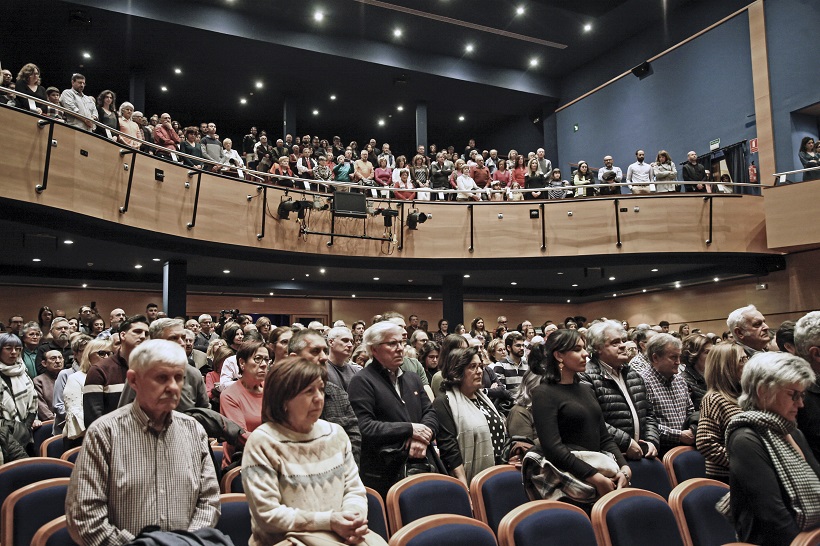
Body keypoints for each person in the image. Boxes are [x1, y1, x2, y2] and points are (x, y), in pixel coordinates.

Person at [66, 340, 221, 545]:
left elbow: (209, 503)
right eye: (161, 378)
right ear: (133, 380)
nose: (173, 387)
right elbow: (85, 518)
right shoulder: (104, 433)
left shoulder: (194, 430)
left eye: (178, 378)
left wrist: (183, 543)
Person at [241, 357, 387, 546]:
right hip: (287, 540)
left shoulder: (335, 434)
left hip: (342, 535)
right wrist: (329, 521)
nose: (319, 398)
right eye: (309, 391)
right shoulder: (263, 441)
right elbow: (267, 514)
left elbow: (354, 490)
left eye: (321, 389)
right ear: (284, 399)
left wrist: (352, 520)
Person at [725, 352, 820, 545]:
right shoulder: (744, 438)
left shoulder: (793, 432)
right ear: (762, 391)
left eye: (801, 395)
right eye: (793, 395)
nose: (800, 404)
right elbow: (772, 515)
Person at [529, 329, 631, 502]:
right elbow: (553, 449)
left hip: (600, 474)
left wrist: (624, 468)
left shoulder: (585, 389)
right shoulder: (543, 393)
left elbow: (604, 438)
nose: (585, 354)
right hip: (571, 482)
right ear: (559, 356)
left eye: (584, 348)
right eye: (577, 349)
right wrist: (595, 477)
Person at [348, 322, 440, 498]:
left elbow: (430, 413)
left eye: (401, 343)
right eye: (392, 344)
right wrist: (410, 429)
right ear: (374, 349)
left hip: (421, 463)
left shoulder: (412, 378)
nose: (400, 349)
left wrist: (422, 438)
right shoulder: (362, 381)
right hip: (385, 474)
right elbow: (364, 426)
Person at [579, 320, 660, 460]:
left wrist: (651, 441)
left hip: (642, 453)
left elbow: (649, 414)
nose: (623, 346)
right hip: (611, 457)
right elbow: (593, 421)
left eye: (623, 340)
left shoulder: (633, 374)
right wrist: (627, 443)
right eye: (615, 343)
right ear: (598, 348)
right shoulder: (585, 376)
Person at [433, 346, 507, 486]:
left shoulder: (483, 398)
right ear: (457, 371)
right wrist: (463, 484)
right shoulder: (444, 402)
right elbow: (449, 448)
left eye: (481, 366)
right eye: (472, 367)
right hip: (468, 479)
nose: (479, 371)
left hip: (498, 473)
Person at [695, 343, 746, 482]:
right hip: (726, 477)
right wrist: (743, 462)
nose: (747, 364)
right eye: (742, 360)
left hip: (744, 474)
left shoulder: (743, 395)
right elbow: (706, 443)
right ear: (727, 367)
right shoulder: (714, 399)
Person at [640, 333, 696, 455]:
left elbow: (690, 411)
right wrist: (678, 435)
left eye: (679, 357)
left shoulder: (680, 380)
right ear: (655, 358)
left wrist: (693, 429)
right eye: (673, 357)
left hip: (687, 447)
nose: (678, 362)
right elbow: (645, 424)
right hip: (660, 451)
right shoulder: (642, 382)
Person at [220, 340, 268, 468]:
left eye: (266, 360)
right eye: (257, 359)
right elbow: (241, 436)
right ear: (242, 363)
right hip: (241, 465)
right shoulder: (229, 395)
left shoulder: (273, 390)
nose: (263, 364)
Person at [0, 332, 39, 454]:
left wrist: (25, 428)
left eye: (17, 349)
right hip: (3, 434)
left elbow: (33, 403)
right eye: (8, 348)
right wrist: (15, 429)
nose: (13, 352)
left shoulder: (23, 372)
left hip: (26, 431)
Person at [680, 333, 713, 411]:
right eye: (707, 352)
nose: (712, 355)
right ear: (694, 355)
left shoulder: (716, 376)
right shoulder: (683, 381)